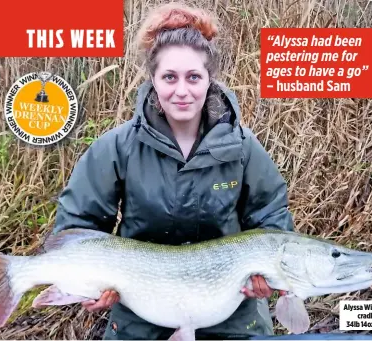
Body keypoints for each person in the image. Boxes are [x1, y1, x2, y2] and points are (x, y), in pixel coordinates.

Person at [53, 2, 294, 340]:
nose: (182, 91)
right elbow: (78, 225)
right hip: (139, 311)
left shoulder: (243, 147)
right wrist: (87, 285)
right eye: (169, 77)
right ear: (152, 79)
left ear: (210, 79)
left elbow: (272, 219)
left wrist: (268, 278)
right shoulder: (117, 147)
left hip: (232, 313)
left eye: (194, 77)